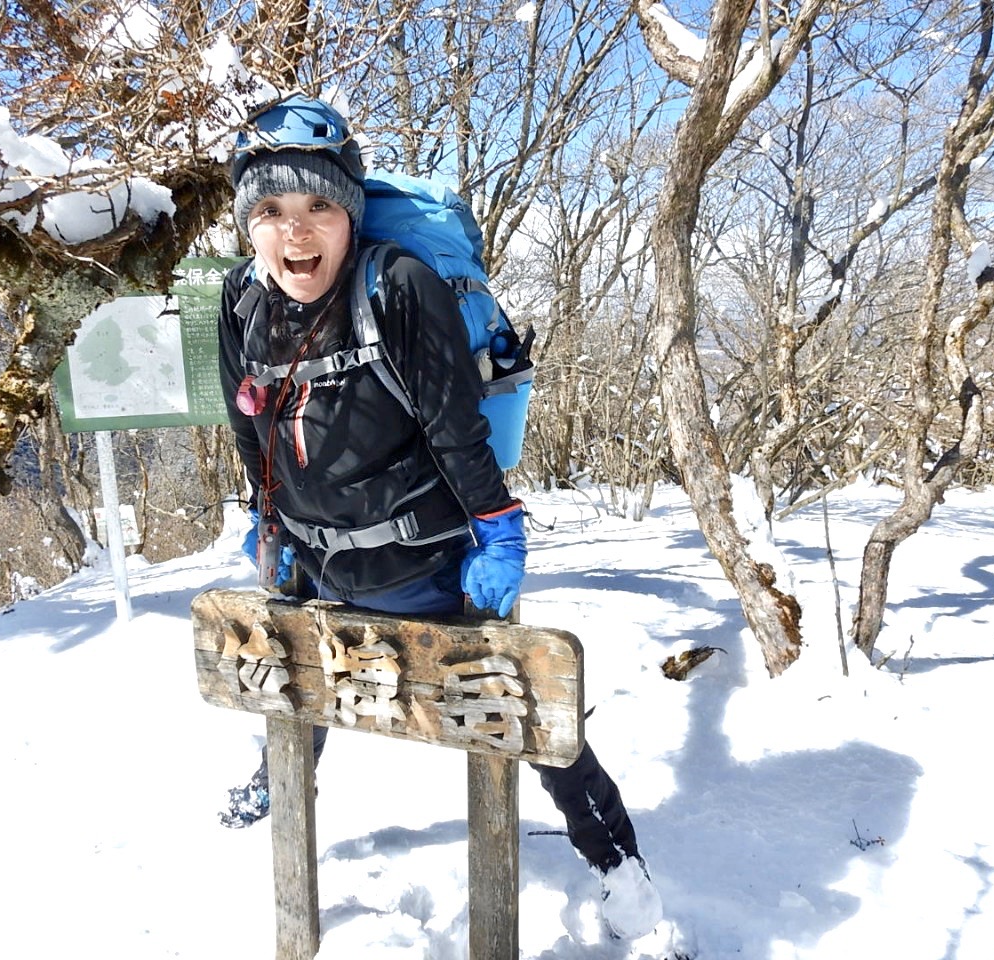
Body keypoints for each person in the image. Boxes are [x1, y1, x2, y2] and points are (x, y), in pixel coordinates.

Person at [215, 95, 661, 940]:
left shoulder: (399, 285)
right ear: (248, 224)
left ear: (350, 212)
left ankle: (615, 859)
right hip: (312, 559)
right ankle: (277, 779)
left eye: (316, 205)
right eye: (269, 209)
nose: (294, 231)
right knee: (302, 673)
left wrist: (497, 527)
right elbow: (248, 426)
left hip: (426, 566)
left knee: (523, 706)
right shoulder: (242, 301)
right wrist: (267, 521)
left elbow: (456, 429)